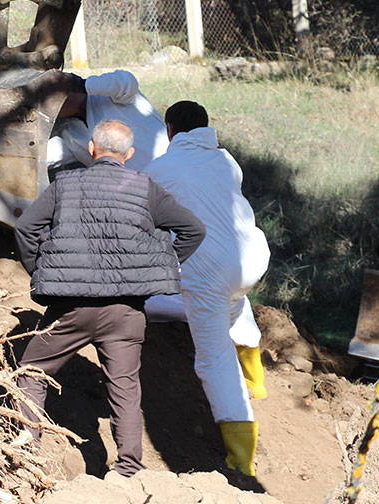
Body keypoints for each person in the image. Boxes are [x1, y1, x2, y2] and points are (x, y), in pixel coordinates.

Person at [14, 119, 205, 477]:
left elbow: (27, 227)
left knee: (32, 372)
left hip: (71, 307)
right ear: (129, 155)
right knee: (125, 388)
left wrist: (40, 268)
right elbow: (194, 229)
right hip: (126, 311)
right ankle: (128, 469)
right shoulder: (145, 188)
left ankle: (28, 455)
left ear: (91, 148)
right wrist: (160, 264)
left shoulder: (64, 185)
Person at [143, 101, 270, 476]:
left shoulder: (161, 169)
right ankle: (257, 380)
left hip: (210, 268)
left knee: (213, 358)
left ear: (169, 131)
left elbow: (144, 213)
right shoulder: (227, 162)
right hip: (252, 257)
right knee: (234, 303)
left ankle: (241, 458)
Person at [48, 70, 168, 172]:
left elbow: (126, 81)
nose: (52, 106)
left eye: (54, 98)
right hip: (138, 193)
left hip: (172, 171)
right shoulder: (71, 133)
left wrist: (82, 84)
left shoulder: (115, 96)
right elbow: (46, 155)